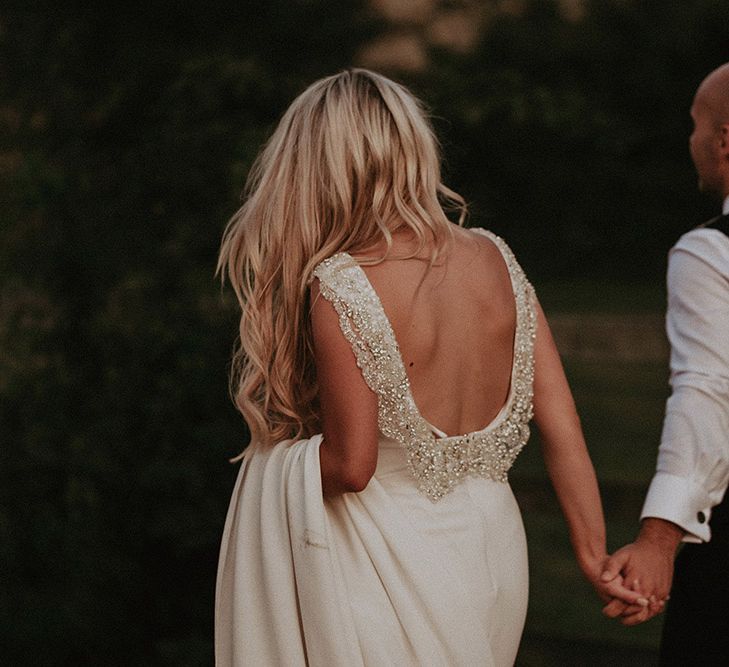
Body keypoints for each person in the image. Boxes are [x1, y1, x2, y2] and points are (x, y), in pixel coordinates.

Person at [214, 68, 644, 666]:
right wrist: (595, 556)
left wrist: (269, 470)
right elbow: (564, 426)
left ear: (316, 169)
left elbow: (352, 465)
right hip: (495, 553)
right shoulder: (496, 255)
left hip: (388, 556)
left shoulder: (343, 281)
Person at [601, 63, 729, 664]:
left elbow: (706, 392)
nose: (691, 140)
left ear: (726, 141)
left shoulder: (711, 251)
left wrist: (659, 539)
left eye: (696, 125)